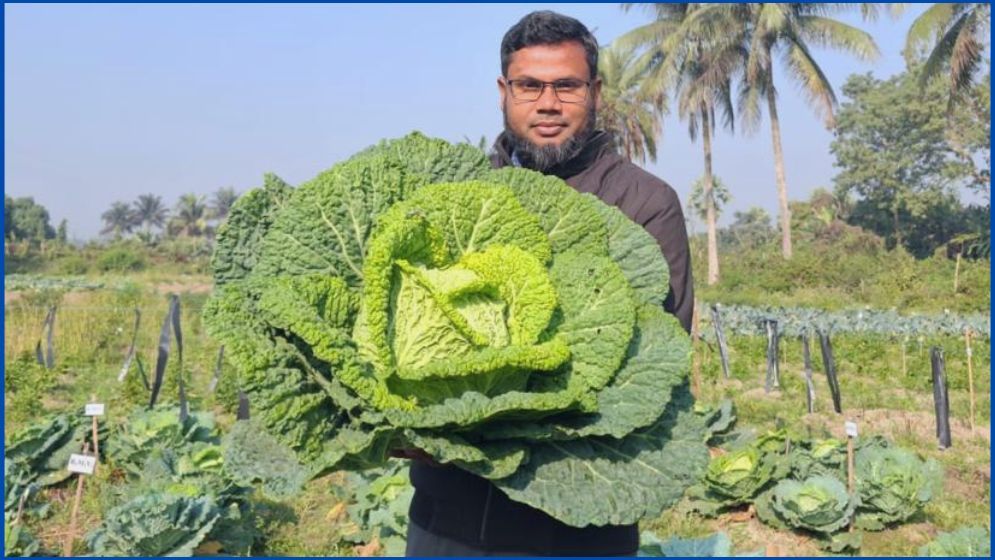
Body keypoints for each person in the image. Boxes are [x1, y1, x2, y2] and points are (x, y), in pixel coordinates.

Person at [403, 10, 694, 557]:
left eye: (567, 85)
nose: (548, 103)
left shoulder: (645, 203)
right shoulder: (451, 194)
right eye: (529, 85)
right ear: (503, 91)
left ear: (595, 91)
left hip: (580, 526)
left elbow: (659, 362)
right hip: (449, 520)